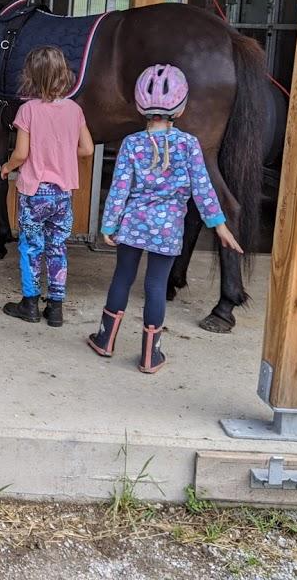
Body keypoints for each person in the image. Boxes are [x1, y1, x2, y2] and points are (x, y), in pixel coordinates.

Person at [87, 64, 243, 373]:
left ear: (139, 106)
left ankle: (105, 340)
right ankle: (150, 355)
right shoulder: (189, 145)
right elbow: (203, 189)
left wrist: (109, 224)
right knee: (156, 286)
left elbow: (120, 188)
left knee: (122, 277)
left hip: (133, 224)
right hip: (168, 229)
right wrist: (219, 226)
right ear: (181, 108)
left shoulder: (131, 144)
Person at [0, 47, 94, 327]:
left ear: (31, 76)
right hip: (62, 194)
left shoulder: (28, 110)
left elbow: (21, 154)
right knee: (57, 247)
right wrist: (62, 154)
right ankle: (55, 308)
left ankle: (29, 304)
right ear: (64, 74)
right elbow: (87, 149)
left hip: (35, 192)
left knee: (31, 247)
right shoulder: (75, 110)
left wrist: (6, 167)